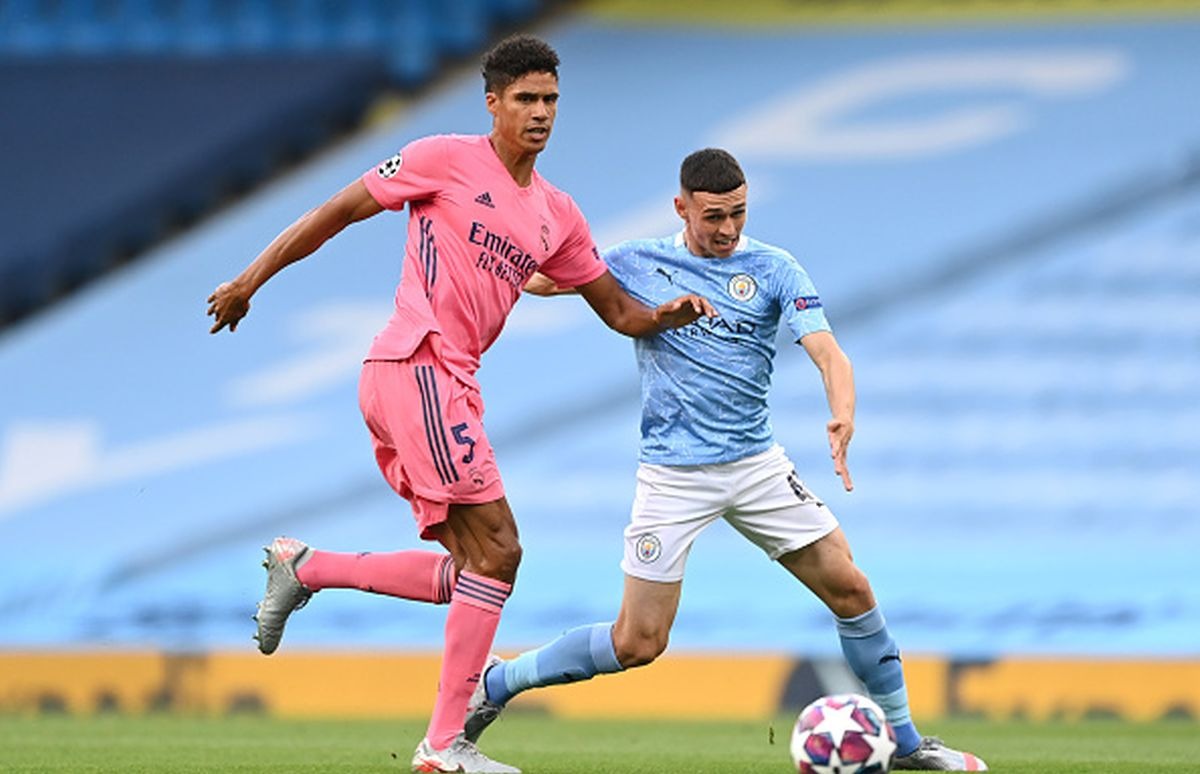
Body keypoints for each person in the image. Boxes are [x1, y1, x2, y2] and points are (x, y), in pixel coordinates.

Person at [205, 35, 714, 774]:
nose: (541, 114)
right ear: (493, 104)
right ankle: (443, 745)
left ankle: (307, 567)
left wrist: (666, 314)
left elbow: (617, 310)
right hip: (415, 363)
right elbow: (338, 209)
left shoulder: (556, 215)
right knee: (500, 552)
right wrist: (250, 279)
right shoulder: (443, 158)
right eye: (526, 100)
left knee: (476, 568)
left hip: (447, 381)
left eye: (551, 101)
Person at [464, 148, 989, 771]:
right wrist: (485, 249)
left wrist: (842, 410)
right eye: (713, 216)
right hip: (672, 475)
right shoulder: (637, 261)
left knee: (851, 589)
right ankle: (495, 684)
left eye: (738, 214)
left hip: (755, 466)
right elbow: (542, 277)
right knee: (638, 642)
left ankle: (904, 744)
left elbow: (828, 351)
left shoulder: (773, 268)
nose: (727, 229)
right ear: (681, 207)